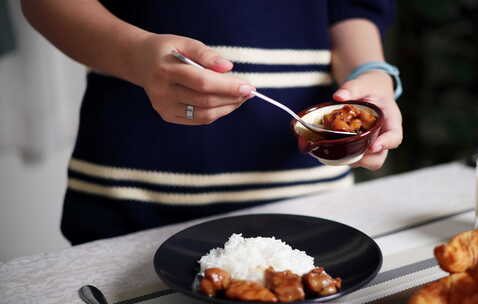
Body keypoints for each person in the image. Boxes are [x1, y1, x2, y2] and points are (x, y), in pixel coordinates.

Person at [21, 0, 403, 245]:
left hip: (310, 204)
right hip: (133, 204)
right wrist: (134, 56)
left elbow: (352, 7)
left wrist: (372, 75)